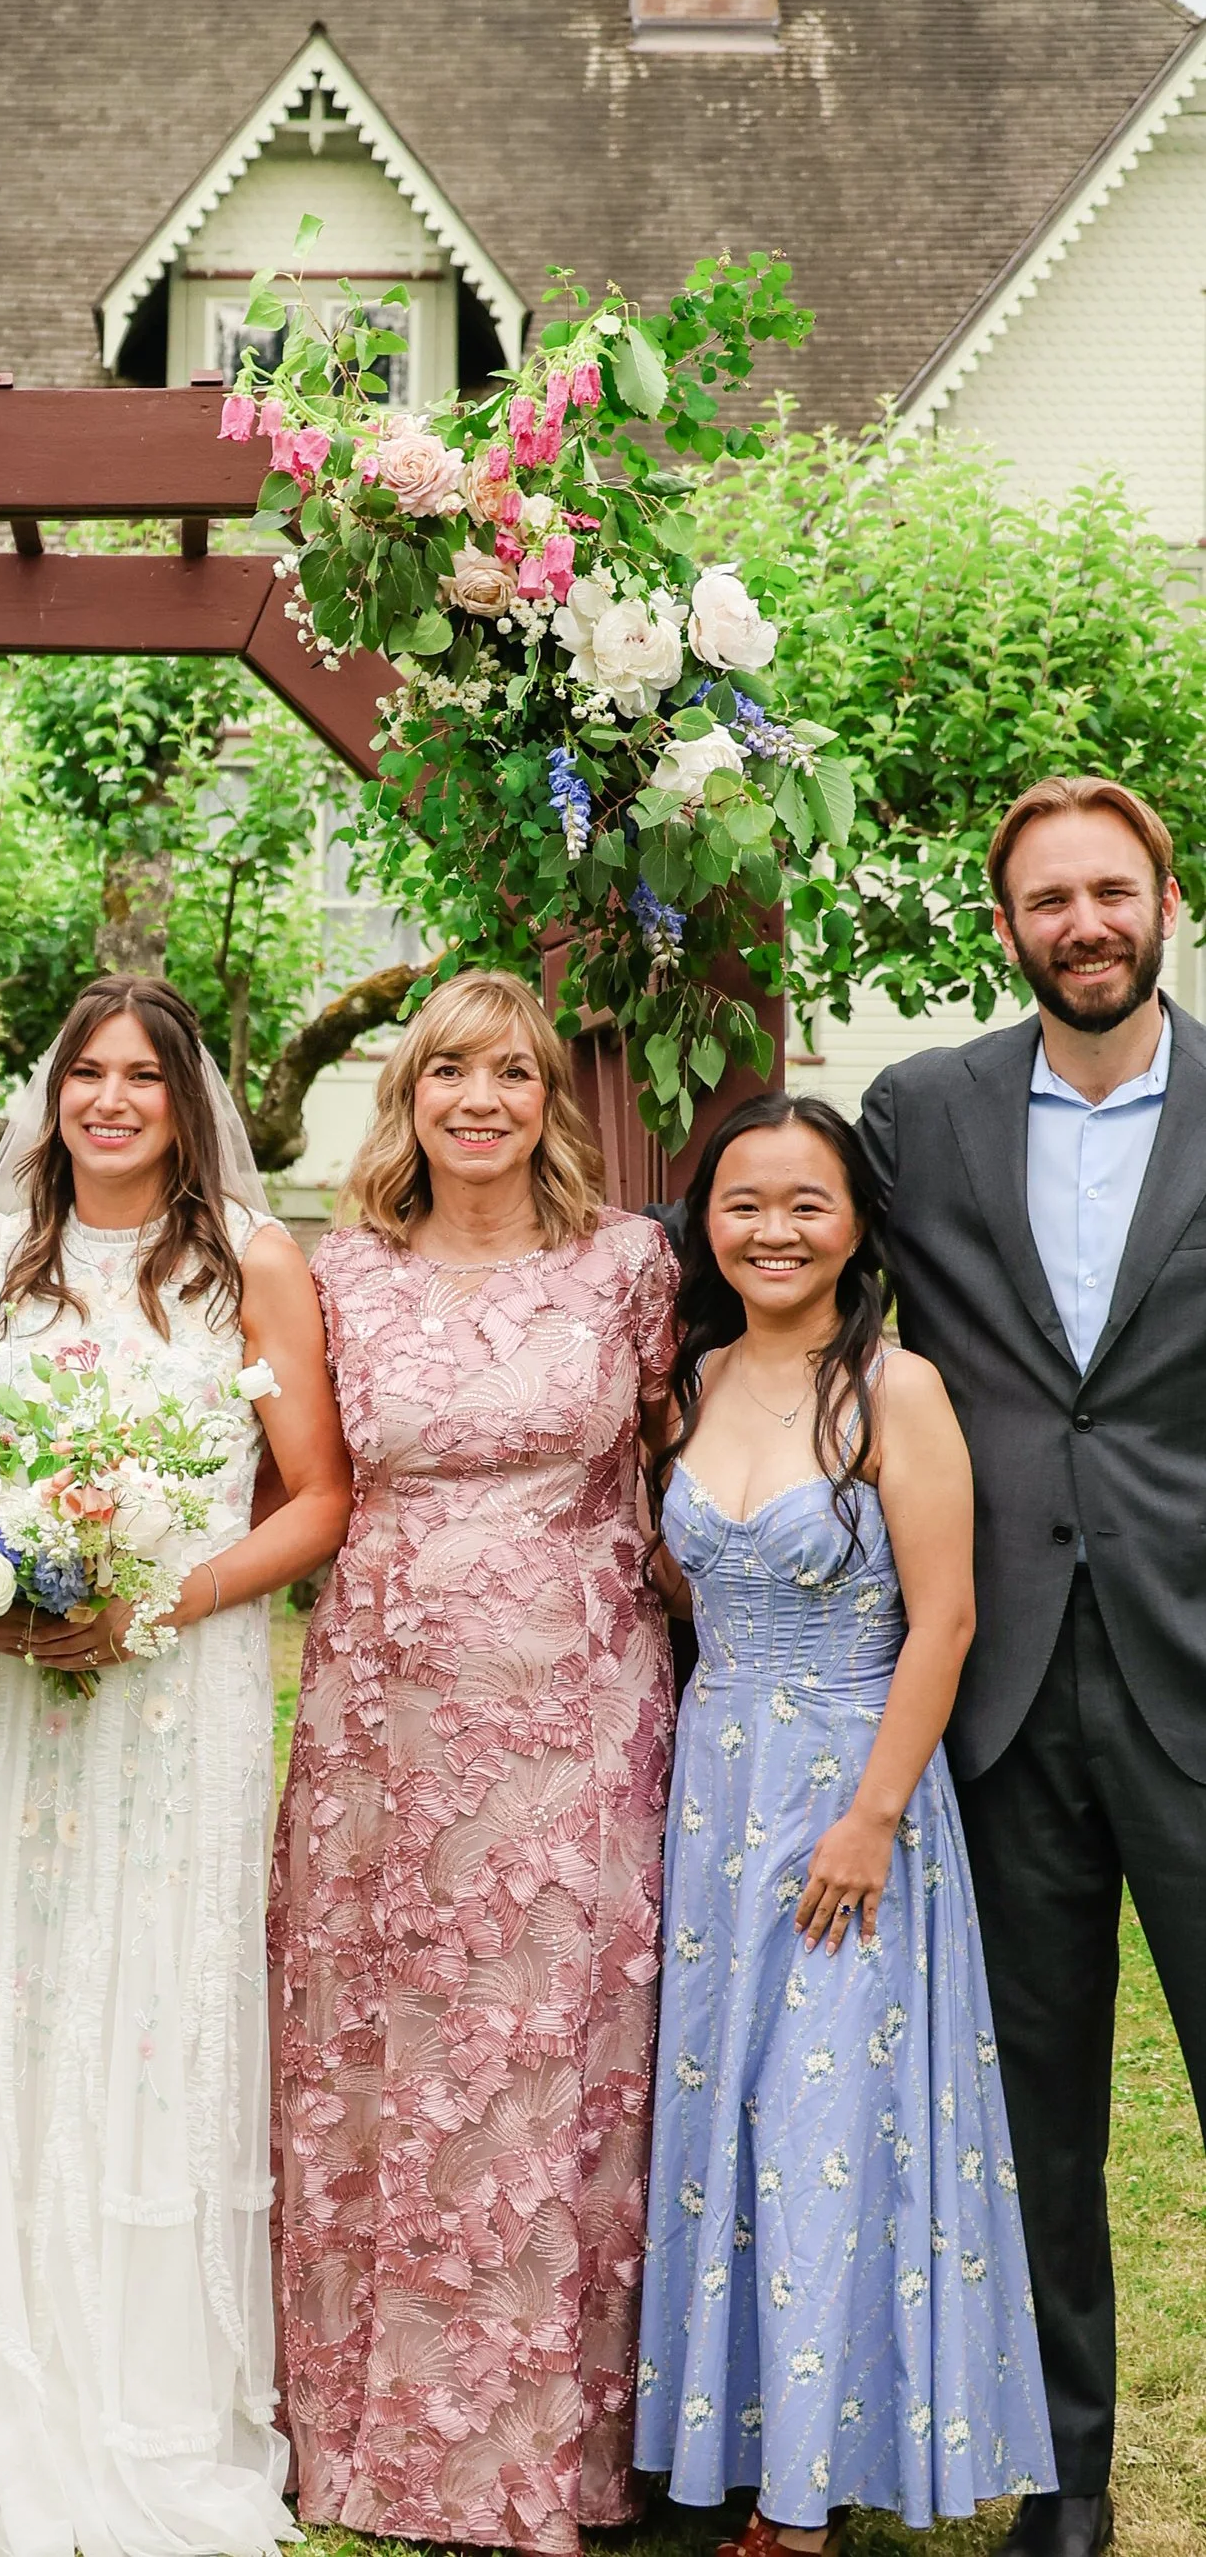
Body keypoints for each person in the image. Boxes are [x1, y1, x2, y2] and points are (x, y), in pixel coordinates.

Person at [0, 974, 351, 2557]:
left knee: (150, 2005)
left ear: (186, 1099)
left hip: (175, 1687)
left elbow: (315, 1494)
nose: (111, 1097)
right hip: (14, 1693)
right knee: (12, 1981)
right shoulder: (1, 1252)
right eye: (86, 1073)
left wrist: (161, 1596)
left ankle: (146, 2384)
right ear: (52, 1095)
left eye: (143, 1074)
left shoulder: (253, 1265)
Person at [268, 967, 677, 2557]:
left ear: (548, 1098)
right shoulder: (340, 1273)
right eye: (450, 1073)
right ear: (408, 1095)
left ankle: (548, 2448)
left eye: (512, 1072)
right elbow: (295, 1478)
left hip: (576, 1716)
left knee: (553, 2051)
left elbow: (680, 1462)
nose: (482, 1100)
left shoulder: (627, 1264)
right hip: (384, 1719)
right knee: (384, 2046)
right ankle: (377, 2435)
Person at [861, 773, 1206, 2557]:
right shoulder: (919, 1114)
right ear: (1007, 927)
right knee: (1038, 2120)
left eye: (1111, 889)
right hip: (997, 1694)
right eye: (1047, 898)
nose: (1083, 921)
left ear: (1166, 897)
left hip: (1200, 1669)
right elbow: (800, 1286)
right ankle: (1071, 2485)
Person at [634, 1093, 1051, 2554]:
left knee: (825, 2119)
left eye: (807, 1202)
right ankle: (727, 2441)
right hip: (714, 1799)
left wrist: (871, 1814)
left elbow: (946, 1618)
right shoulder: (684, 1387)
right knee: (727, 2116)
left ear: (857, 1221)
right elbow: (691, 1593)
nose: (774, 1229)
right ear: (709, 1221)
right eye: (745, 1201)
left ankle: (803, 2509)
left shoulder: (898, 1389)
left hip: (851, 1792)